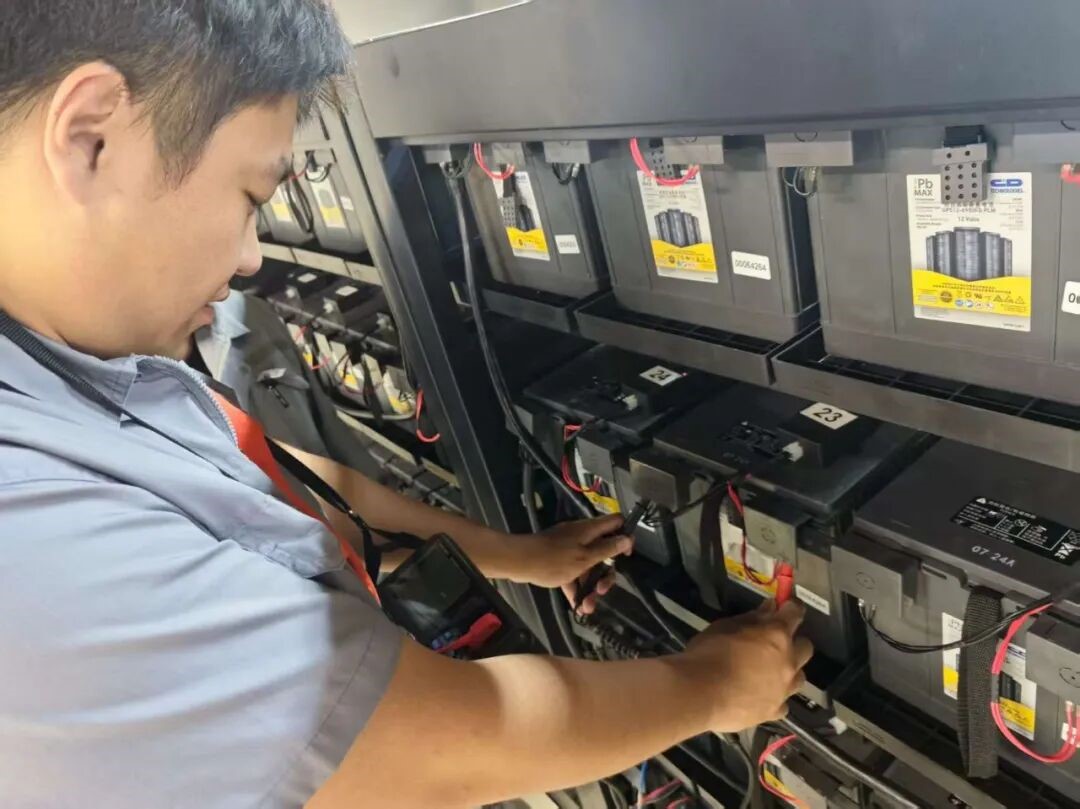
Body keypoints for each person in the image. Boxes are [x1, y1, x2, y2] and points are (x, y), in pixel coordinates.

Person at [0, 3, 813, 808]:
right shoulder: (32, 539)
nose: (250, 259)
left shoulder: (84, 377)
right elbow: (450, 745)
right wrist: (714, 685)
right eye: (250, 195)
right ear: (91, 137)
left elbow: (287, 485)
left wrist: (519, 556)